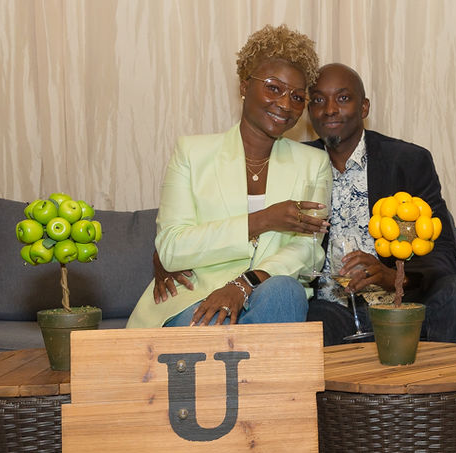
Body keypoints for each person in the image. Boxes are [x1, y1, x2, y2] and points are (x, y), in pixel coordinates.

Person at [126, 25, 331, 328]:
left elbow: (308, 250)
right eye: (273, 88)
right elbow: (171, 248)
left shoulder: (314, 162)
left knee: (287, 291)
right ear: (244, 86)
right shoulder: (191, 153)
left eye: (298, 97)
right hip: (193, 302)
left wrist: (244, 284)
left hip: (268, 297)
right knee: (213, 324)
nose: (286, 105)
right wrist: (262, 220)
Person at [304, 63, 456, 346]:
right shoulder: (296, 164)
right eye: (317, 100)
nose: (329, 109)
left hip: (403, 303)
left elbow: (444, 254)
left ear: (364, 107)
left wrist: (394, 277)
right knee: (308, 317)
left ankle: (445, 389)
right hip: (331, 308)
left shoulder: (408, 162)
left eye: (342, 98)